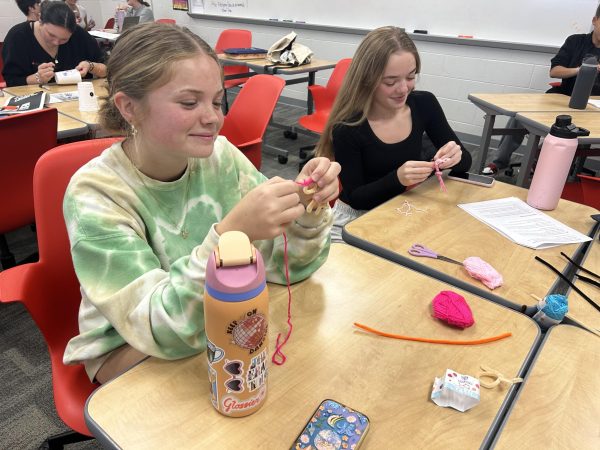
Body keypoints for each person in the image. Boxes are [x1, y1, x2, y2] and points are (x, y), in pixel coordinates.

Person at [62, 23, 340, 383]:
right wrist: (231, 233)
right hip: (129, 344)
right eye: (189, 102)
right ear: (129, 107)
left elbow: (286, 269)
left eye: (217, 100)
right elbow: (158, 329)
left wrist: (305, 209)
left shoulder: (220, 157)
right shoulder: (96, 193)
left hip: (211, 318)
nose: (212, 117)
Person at [315, 26, 472, 242]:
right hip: (355, 219)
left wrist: (455, 156)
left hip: (400, 208)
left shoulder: (424, 104)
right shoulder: (348, 126)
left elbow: (466, 163)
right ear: (367, 79)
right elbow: (356, 198)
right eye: (390, 82)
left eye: (410, 77)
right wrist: (397, 179)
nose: (403, 89)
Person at [482, 4, 600, 176]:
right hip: (562, 97)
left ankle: (544, 164)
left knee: (567, 133)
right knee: (520, 116)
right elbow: (555, 71)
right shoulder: (575, 41)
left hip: (593, 107)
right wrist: (579, 70)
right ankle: (499, 162)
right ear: (595, 21)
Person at [2, 1, 106, 87]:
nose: (56, 42)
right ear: (40, 20)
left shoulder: (78, 35)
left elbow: (109, 68)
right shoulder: (18, 37)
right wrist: (37, 77)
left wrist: (91, 66)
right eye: (51, 35)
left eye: (64, 39)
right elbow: (12, 82)